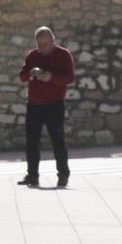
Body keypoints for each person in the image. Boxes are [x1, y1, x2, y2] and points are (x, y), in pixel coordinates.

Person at [17, 26, 75, 188]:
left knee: (58, 140)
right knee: (32, 142)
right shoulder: (33, 56)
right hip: (34, 104)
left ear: (53, 41)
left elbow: (69, 78)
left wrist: (51, 78)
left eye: (46, 44)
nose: (43, 48)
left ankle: (63, 175)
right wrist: (31, 72)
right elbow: (22, 76)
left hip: (55, 104)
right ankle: (32, 175)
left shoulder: (64, 55)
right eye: (40, 44)